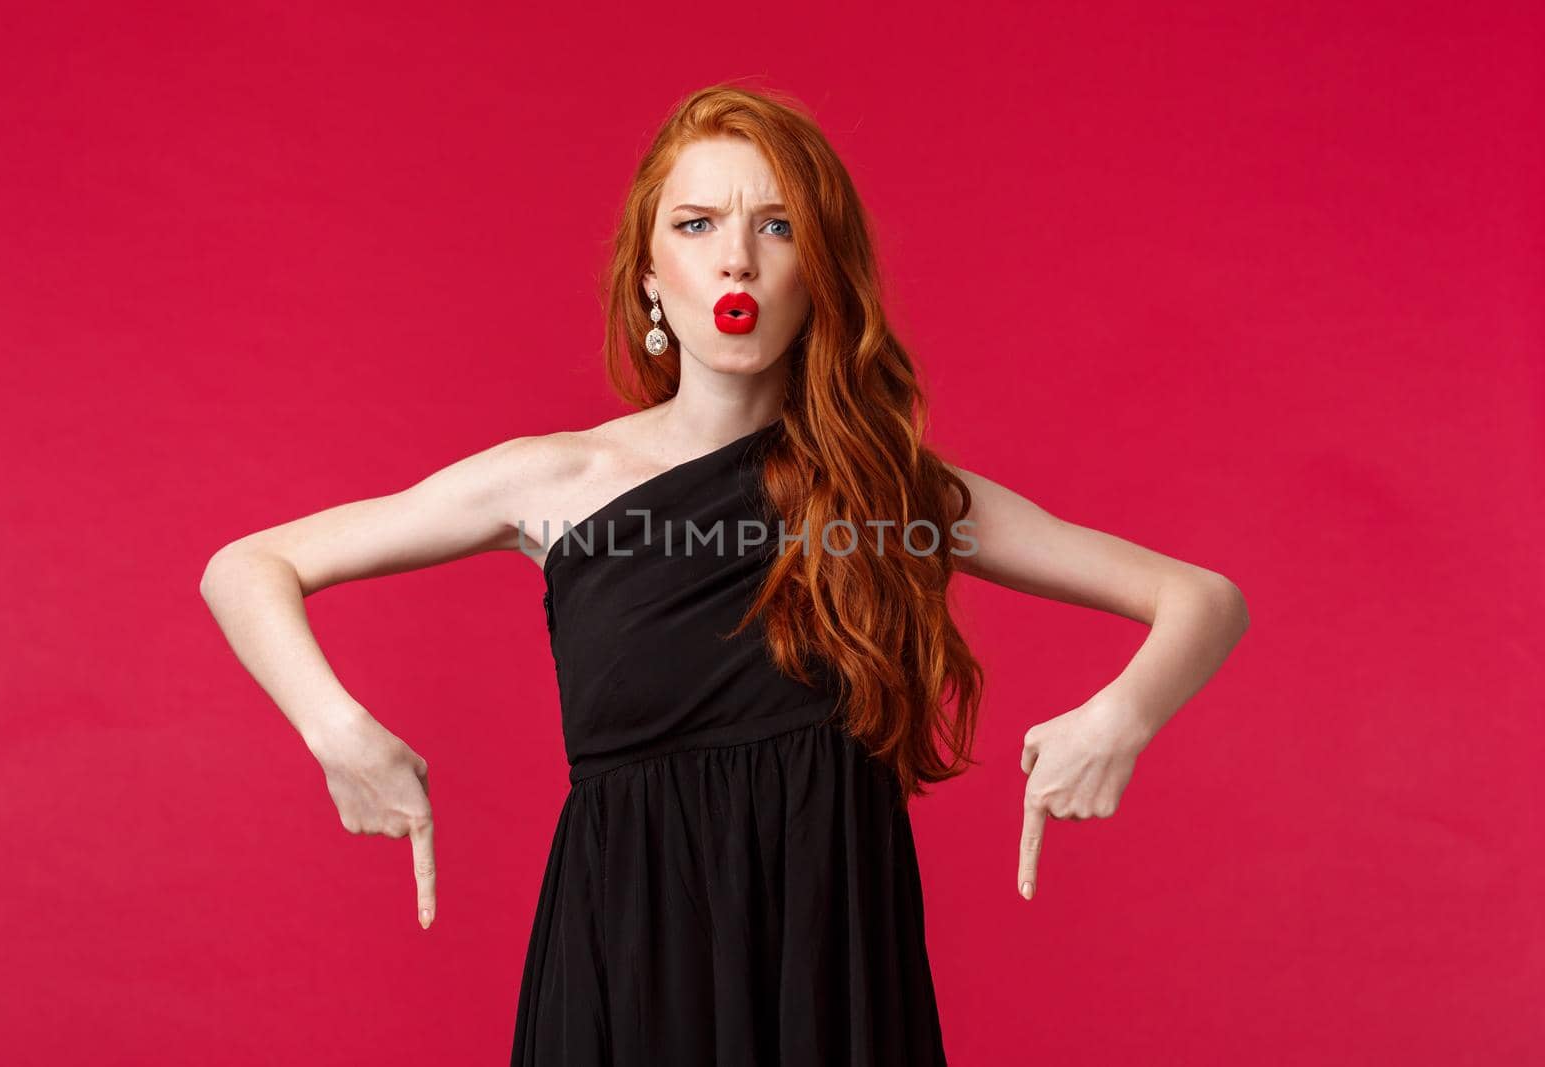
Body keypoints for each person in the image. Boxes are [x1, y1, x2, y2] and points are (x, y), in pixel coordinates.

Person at [199, 82, 1249, 1066]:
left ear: (820, 270)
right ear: (653, 275)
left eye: (776, 226)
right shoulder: (554, 475)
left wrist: (1116, 717)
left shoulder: (893, 492)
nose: (736, 260)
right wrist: (340, 732)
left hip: (832, 972)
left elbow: (1201, 596)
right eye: (697, 226)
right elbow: (249, 566)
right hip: (627, 959)